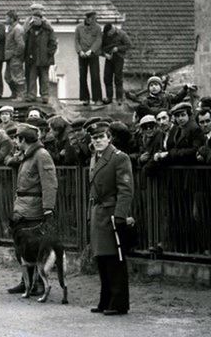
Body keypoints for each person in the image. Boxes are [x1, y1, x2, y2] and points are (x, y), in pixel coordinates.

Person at [86, 119, 133, 316]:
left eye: (101, 137)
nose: (97, 141)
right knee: (102, 260)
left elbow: (126, 189)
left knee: (115, 259)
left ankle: (119, 303)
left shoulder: (119, 158)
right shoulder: (95, 157)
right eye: (94, 138)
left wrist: (120, 215)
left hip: (112, 213)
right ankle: (105, 300)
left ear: (109, 138)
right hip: (98, 213)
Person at [7, 124, 58, 295]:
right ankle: (26, 282)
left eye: (17, 138)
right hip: (22, 207)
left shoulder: (41, 155)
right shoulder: (28, 155)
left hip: (33, 208)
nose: (15, 141)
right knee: (22, 247)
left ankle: (39, 284)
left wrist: (48, 209)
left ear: (23, 139)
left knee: (34, 247)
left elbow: (49, 184)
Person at [24, 14, 57, 103]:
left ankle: (45, 96)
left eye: (36, 18)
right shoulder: (30, 30)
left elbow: (53, 43)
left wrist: (48, 53)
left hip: (44, 59)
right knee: (32, 78)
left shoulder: (48, 30)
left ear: (41, 19)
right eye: (33, 18)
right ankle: (31, 95)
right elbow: (26, 43)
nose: (34, 20)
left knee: (44, 78)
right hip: (32, 59)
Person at [101, 12, 131, 105]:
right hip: (109, 58)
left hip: (119, 58)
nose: (108, 35)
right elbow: (100, 48)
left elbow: (129, 45)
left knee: (118, 78)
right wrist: (105, 54)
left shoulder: (122, 34)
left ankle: (119, 98)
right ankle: (109, 98)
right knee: (107, 77)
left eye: (109, 33)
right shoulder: (105, 35)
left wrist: (118, 48)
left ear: (112, 30)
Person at [75, 11, 103, 106]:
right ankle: (85, 98)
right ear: (87, 18)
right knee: (82, 77)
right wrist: (80, 51)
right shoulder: (79, 28)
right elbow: (76, 40)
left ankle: (97, 98)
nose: (94, 21)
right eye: (92, 18)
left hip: (93, 55)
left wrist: (91, 51)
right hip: (82, 55)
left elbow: (98, 40)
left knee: (95, 76)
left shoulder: (98, 28)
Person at [4, 10, 26, 100]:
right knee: (8, 77)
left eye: (7, 17)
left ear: (12, 18)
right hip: (9, 56)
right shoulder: (10, 28)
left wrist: (16, 54)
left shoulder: (17, 29)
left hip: (15, 57)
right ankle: (14, 93)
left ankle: (20, 96)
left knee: (18, 77)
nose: (5, 19)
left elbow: (21, 44)